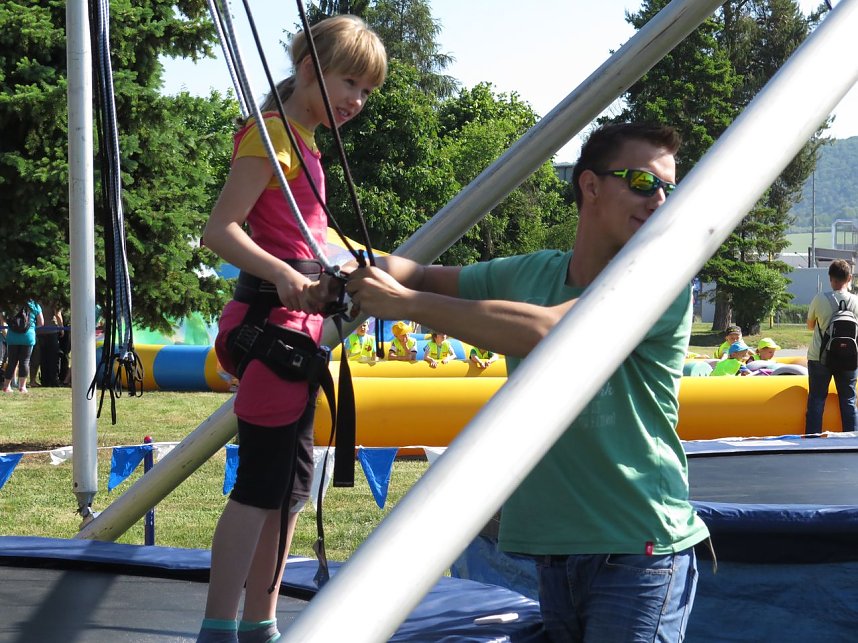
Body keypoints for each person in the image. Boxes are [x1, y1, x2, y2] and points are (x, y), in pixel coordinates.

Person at [344, 122, 709, 641]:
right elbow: (423, 274)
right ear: (591, 185)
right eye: (643, 182)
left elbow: (553, 332)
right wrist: (345, 270)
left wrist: (405, 304)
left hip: (638, 549)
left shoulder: (659, 280)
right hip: (558, 552)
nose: (660, 200)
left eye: (670, 188)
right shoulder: (534, 274)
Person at [197, 15, 386, 643]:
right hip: (273, 324)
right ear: (309, 70)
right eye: (350, 83)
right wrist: (282, 275)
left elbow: (311, 236)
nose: (357, 102)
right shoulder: (273, 137)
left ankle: (260, 622)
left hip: (299, 328)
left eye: (366, 92)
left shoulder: (304, 143)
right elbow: (221, 229)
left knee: (288, 488)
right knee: (260, 486)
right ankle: (221, 626)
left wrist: (365, 265)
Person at [805, 258, 858, 435]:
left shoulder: (820, 298)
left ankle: (812, 441)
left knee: (817, 401)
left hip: (819, 358)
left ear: (830, 278)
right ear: (849, 278)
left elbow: (810, 325)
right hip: (849, 358)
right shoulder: (856, 301)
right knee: (849, 401)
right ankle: (851, 441)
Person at [1, 299, 44, 394]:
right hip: (28, 336)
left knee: (12, 361)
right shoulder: (34, 305)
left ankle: (6, 386)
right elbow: (41, 323)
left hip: (12, 337)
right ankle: (22, 387)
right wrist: (32, 328)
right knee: (25, 361)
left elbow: (3, 318)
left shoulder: (12, 303)